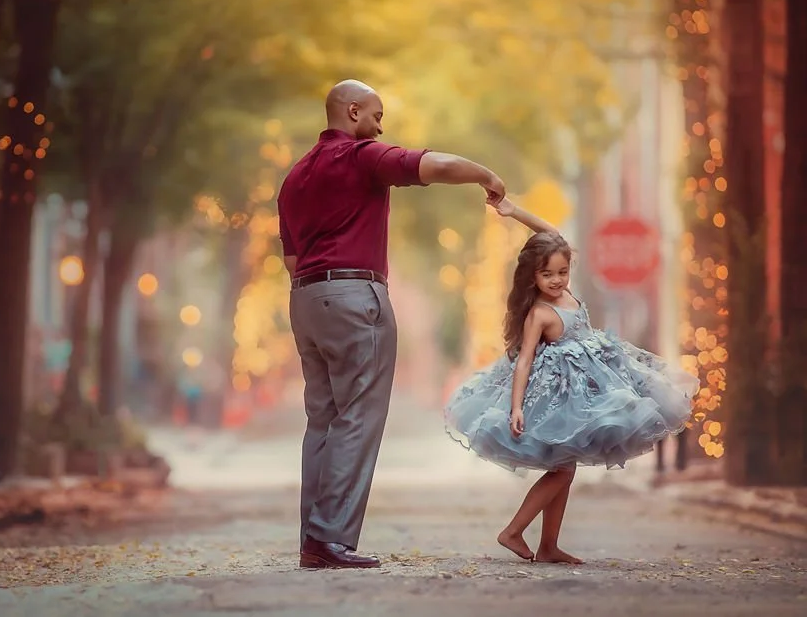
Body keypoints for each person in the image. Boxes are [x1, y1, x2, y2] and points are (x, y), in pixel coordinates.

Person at [277, 79, 506, 569]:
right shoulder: (362, 157)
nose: (381, 127)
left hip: (306, 299)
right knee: (358, 416)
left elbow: (292, 261)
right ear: (353, 111)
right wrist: (486, 176)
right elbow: (436, 165)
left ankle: (313, 541)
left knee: (322, 420)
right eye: (377, 116)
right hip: (355, 296)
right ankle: (330, 538)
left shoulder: (294, 178)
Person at [444, 197, 697, 564]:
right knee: (562, 470)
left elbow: (552, 235)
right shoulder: (540, 313)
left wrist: (514, 212)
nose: (556, 279)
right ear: (532, 275)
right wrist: (516, 408)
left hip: (588, 387)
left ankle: (548, 546)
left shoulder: (565, 290)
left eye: (562, 272)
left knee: (565, 467)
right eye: (547, 274)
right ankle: (513, 531)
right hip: (560, 396)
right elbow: (524, 361)